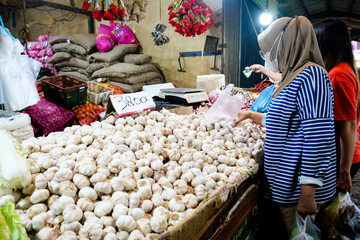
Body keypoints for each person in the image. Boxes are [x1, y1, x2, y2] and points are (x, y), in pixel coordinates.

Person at [232, 16, 337, 239]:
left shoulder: (312, 76)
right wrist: (250, 114)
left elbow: (317, 136)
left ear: (285, 45)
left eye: (269, 50)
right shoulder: (293, 75)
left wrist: (308, 191)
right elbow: (284, 122)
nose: (267, 57)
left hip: (298, 192)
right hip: (284, 188)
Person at [314, 18, 360, 194]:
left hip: (344, 156)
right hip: (343, 154)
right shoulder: (341, 70)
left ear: (325, 44)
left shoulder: (338, 76)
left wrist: (344, 171)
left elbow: (347, 126)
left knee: (333, 211)